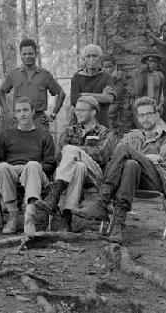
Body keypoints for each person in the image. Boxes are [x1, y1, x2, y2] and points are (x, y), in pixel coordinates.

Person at [75, 97, 166, 244]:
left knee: (125, 150)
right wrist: (146, 157)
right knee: (130, 164)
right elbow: (115, 159)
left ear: (157, 115)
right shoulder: (131, 136)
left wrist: (140, 156)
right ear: (137, 117)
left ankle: (102, 199)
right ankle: (117, 226)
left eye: (149, 114)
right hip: (132, 181)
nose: (145, 118)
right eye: (142, 115)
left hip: (157, 180)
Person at [35, 96, 116, 232]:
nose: (78, 113)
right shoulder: (69, 130)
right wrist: (77, 156)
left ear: (93, 112)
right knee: (79, 167)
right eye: (76, 110)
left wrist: (77, 151)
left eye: (82, 110)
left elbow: (101, 155)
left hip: (95, 175)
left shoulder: (105, 132)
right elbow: (59, 156)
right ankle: (67, 218)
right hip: (73, 173)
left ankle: (54, 195)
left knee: (70, 149)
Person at [0, 96, 56, 235]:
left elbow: (50, 164)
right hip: (12, 173)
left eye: (25, 110)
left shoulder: (44, 135)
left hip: (36, 174)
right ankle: (12, 215)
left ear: (33, 111)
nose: (22, 114)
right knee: (2, 167)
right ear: (15, 114)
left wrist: (28, 167)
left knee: (33, 165)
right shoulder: (5, 134)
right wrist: (16, 168)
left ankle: (30, 216)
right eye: (18, 111)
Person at [0, 38, 65, 130]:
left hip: (39, 120)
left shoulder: (45, 75)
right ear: (20, 55)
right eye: (24, 54)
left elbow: (61, 93)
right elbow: (1, 92)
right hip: (19, 120)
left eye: (30, 53)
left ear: (36, 54)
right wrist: (7, 111)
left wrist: (53, 114)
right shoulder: (14, 74)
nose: (27, 56)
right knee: (19, 144)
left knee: (42, 143)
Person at [70, 44, 116, 128]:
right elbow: (74, 100)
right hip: (81, 123)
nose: (92, 59)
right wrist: (101, 96)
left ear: (99, 58)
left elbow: (110, 98)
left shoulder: (106, 76)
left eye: (94, 56)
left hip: (101, 122)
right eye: (88, 56)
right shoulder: (76, 78)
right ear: (84, 59)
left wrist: (85, 94)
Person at [146, 21, 166, 97]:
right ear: (162, 32)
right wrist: (154, 35)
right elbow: (151, 45)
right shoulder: (158, 41)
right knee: (155, 88)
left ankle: (165, 106)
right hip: (158, 68)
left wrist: (153, 36)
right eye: (165, 31)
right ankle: (154, 104)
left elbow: (163, 44)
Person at [101, 55, 125, 131]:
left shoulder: (119, 74)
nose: (108, 69)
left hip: (116, 103)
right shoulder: (101, 76)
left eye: (110, 66)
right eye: (105, 67)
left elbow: (116, 78)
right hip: (105, 102)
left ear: (115, 66)